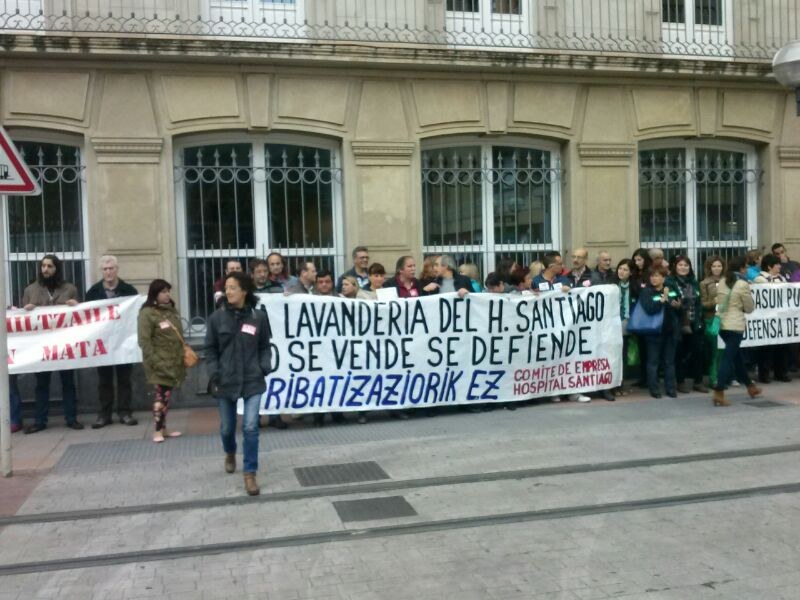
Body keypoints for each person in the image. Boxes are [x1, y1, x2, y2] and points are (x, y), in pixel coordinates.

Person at [204, 271, 271, 496]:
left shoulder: (258, 317)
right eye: (227, 288)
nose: (228, 292)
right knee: (227, 428)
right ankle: (230, 452)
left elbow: (265, 346)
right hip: (226, 380)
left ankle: (250, 472)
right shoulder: (216, 318)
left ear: (244, 290)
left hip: (252, 379)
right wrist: (214, 373)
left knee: (251, 426)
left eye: (233, 287)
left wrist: (264, 365)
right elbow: (210, 350)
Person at [22, 254, 82, 434]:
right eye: (43, 266)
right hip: (41, 347)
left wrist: (76, 305)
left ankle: (71, 418)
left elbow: (81, 317)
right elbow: (23, 321)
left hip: (64, 345)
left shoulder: (69, 289)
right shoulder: (30, 290)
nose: (45, 269)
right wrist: (27, 311)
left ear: (57, 269)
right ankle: (40, 421)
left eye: (49, 266)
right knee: (41, 384)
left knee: (68, 382)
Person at [85, 255, 140, 428]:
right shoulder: (93, 292)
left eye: (111, 268)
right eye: (105, 269)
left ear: (117, 269)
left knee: (124, 379)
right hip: (102, 344)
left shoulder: (129, 291)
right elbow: (87, 319)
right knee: (104, 380)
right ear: (101, 271)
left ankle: (124, 412)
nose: (108, 272)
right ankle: (105, 414)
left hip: (124, 342)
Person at [137, 279, 186, 443]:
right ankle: (157, 430)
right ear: (155, 294)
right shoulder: (147, 313)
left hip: (173, 362)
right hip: (159, 363)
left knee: (166, 396)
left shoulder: (171, 311)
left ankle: (164, 428)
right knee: (160, 396)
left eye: (168, 291)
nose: (167, 295)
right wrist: (156, 361)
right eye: (163, 292)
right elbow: (144, 341)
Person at [712, 256, 762, 406]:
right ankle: (719, 392)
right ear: (741, 268)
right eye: (745, 267)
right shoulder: (742, 284)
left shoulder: (721, 282)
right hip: (735, 326)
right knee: (728, 359)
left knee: (736, 357)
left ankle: (750, 386)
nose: (747, 270)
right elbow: (749, 307)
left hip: (722, 325)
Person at [638, 264, 682, 399]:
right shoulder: (647, 292)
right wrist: (662, 300)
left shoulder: (671, 289)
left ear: (664, 277)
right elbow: (649, 309)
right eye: (652, 276)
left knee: (669, 362)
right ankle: (654, 388)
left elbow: (680, 303)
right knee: (653, 362)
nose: (653, 279)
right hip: (653, 333)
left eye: (657, 276)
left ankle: (670, 389)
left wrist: (678, 306)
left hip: (670, 332)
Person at [667, 255, 709, 394]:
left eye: (686, 265)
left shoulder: (694, 282)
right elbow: (672, 300)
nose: (683, 268)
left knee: (698, 353)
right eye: (680, 265)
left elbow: (698, 301)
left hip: (694, 323)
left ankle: (698, 382)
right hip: (678, 324)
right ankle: (680, 382)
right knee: (680, 354)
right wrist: (680, 304)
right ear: (675, 267)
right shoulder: (670, 282)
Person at [753, 255, 791, 383]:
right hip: (766, 319)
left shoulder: (782, 278)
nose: (780, 266)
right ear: (769, 266)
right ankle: (764, 374)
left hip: (781, 318)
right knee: (766, 348)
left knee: (782, 347)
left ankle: (781, 372)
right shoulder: (760, 279)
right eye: (777, 264)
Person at [611, 259, 638, 397]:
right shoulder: (611, 285)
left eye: (625, 269)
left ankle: (621, 383)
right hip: (612, 323)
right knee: (614, 355)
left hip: (627, 323)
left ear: (631, 272)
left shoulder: (634, 287)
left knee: (623, 356)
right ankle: (613, 385)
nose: (621, 272)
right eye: (620, 268)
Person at [700, 256, 725, 387]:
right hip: (712, 319)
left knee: (723, 351)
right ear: (709, 268)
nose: (717, 269)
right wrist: (714, 302)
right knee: (714, 351)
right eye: (714, 266)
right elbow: (703, 304)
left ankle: (722, 377)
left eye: (719, 266)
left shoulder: (728, 281)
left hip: (726, 319)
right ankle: (713, 378)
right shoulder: (704, 283)